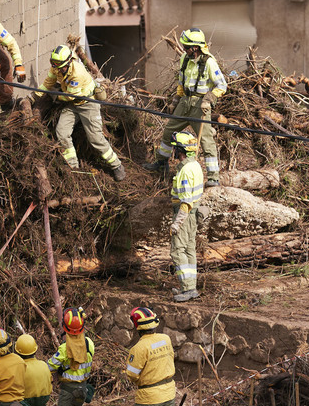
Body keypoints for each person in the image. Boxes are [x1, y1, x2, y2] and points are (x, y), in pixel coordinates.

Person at [143, 28, 228, 187]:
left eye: (187, 46)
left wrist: (208, 99)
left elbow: (222, 85)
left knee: (206, 141)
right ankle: (161, 164)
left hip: (200, 106)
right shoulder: (184, 58)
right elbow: (182, 82)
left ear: (195, 47)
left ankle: (213, 178)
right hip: (185, 102)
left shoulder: (209, 62)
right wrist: (176, 100)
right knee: (169, 131)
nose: (184, 49)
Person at [33, 45, 125, 182]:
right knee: (62, 132)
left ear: (69, 62)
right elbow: (48, 83)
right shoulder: (56, 67)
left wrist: (55, 96)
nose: (57, 69)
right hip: (73, 104)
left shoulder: (77, 73)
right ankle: (73, 167)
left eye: (60, 67)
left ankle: (117, 166)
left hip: (88, 103)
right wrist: (34, 96)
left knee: (95, 138)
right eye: (55, 66)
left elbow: (70, 96)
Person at [166, 131, 204, 302]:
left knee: (177, 251)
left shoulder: (185, 171)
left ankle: (188, 289)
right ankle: (189, 287)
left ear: (179, 150)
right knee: (189, 251)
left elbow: (186, 201)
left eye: (175, 148)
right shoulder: (195, 165)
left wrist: (177, 223)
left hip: (185, 213)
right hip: (193, 214)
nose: (173, 151)